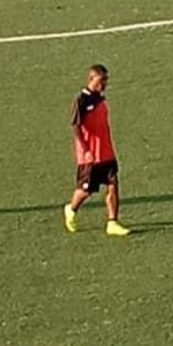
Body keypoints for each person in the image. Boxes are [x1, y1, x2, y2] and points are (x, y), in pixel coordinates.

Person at [63, 64, 130, 237]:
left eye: (106, 80)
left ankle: (112, 222)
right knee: (86, 190)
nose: (105, 84)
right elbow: (75, 127)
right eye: (102, 80)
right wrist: (85, 149)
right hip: (90, 156)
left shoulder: (100, 98)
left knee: (113, 185)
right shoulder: (81, 100)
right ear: (91, 79)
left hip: (106, 152)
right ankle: (71, 209)